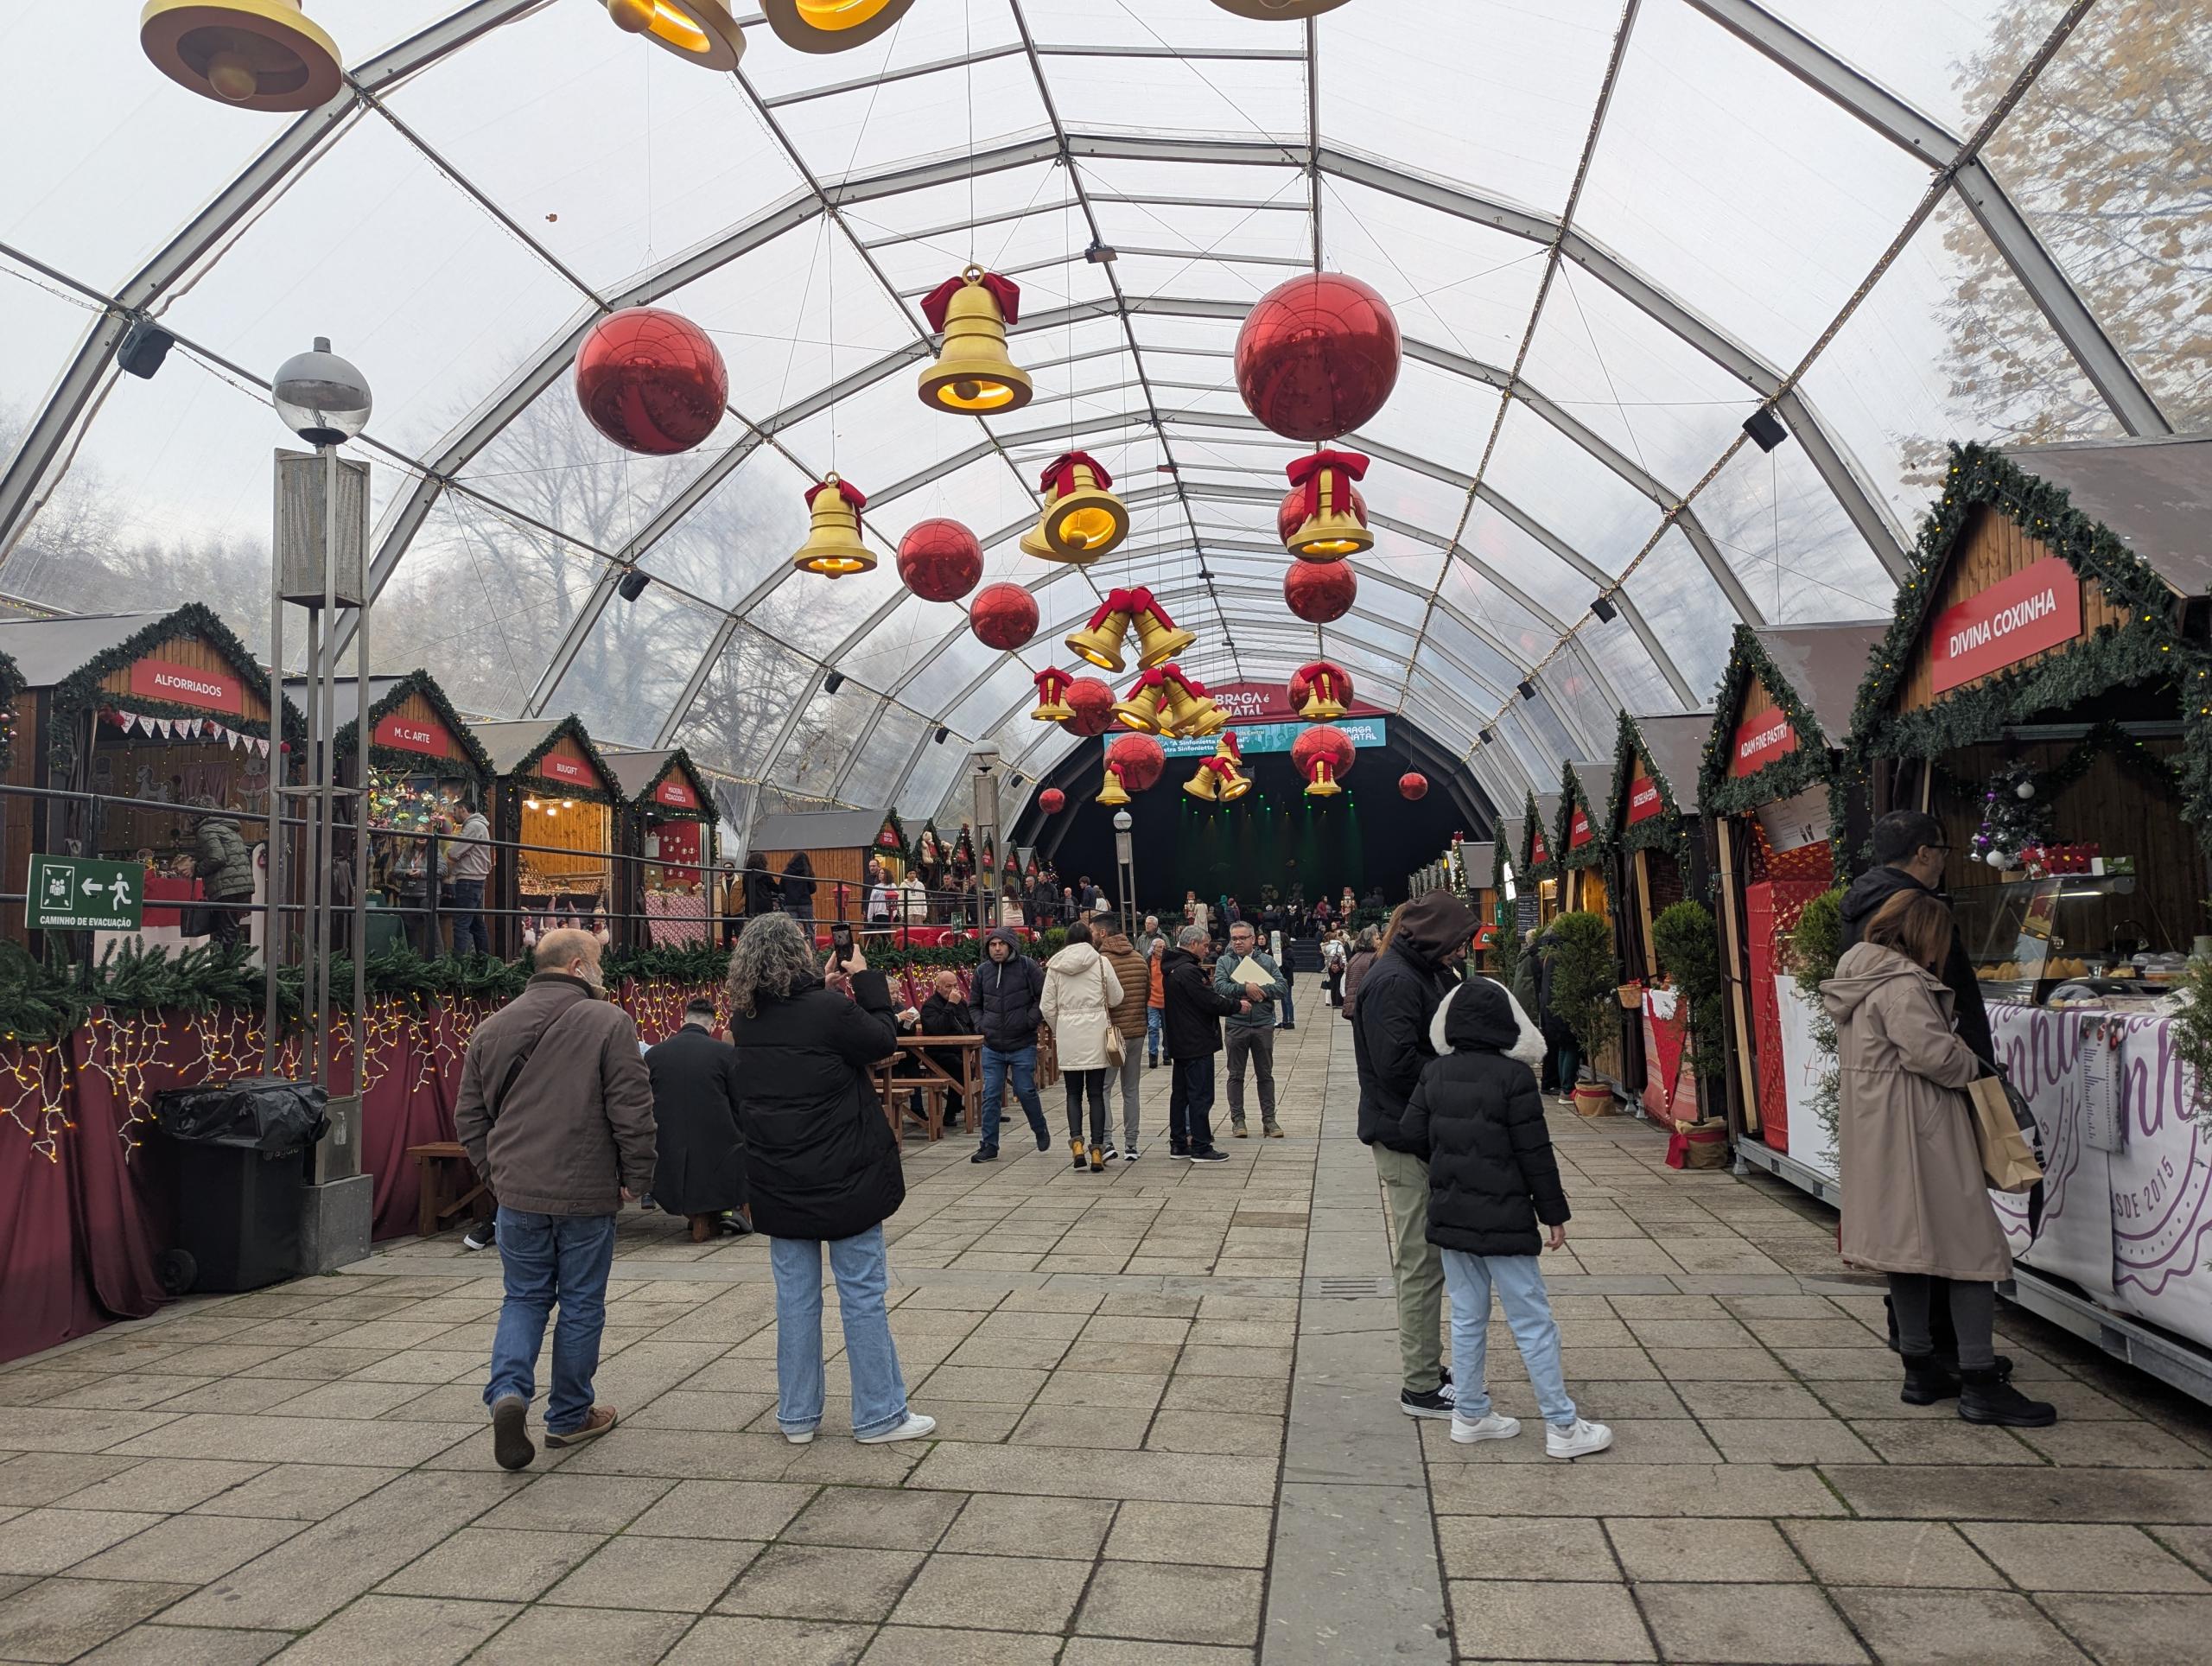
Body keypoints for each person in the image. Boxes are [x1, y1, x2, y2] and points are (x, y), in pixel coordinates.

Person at [1823, 890, 2055, 1427]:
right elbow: (1933, 1058)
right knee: (1971, 1248)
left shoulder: (1859, 973)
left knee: (1906, 1250)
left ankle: (1920, 1368)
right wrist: (1971, 1062)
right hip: (1921, 1130)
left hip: (1882, 1130)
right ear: (1924, 934)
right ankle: (1978, 1379)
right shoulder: (1902, 984)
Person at [724, 913, 934, 1445]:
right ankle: (879, 1415)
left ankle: (797, 1417)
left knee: (795, 1301)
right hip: (844, 1175)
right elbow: (883, 1038)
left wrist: (823, 984)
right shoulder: (828, 1010)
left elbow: (800, 1017)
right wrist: (864, 982)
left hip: (778, 1176)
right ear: (796, 956)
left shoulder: (747, 1017)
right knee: (861, 1294)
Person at [455, 928, 656, 1471]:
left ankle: (507, 1393)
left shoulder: (491, 1028)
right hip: (586, 1192)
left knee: (523, 1297)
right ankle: (569, 1415)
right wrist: (637, 1178)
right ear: (574, 967)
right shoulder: (610, 1023)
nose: (603, 972)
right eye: (597, 961)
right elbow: (632, 1111)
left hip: (518, 1193)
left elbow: (469, 1117)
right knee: (582, 1302)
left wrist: (495, 1176)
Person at [1402, 976, 1612, 1459]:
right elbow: (1535, 1153)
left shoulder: (1434, 1073)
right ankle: (1561, 1424)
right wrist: (1553, 1213)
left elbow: (1410, 1131)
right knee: (1532, 1321)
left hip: (1452, 1214)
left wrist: (1450, 1157)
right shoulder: (1515, 1079)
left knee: (1468, 1317)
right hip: (1507, 1219)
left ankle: (1470, 1413)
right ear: (1506, 1024)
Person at [1352, 891, 1479, 1421]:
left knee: (1428, 1262)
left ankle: (1427, 1365)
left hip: (1422, 1132)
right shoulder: (1395, 981)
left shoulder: (1419, 970)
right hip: (1404, 1136)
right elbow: (1397, 1065)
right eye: (1457, 943)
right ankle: (1420, 1386)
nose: (1459, 953)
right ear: (1434, 936)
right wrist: (1458, 1074)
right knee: (1421, 1265)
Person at [1839, 810, 1994, 1065]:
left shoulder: (1860, 904)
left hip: (1874, 1056)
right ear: (1924, 854)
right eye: (1942, 852)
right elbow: (1955, 991)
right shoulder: (1919, 909)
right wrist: (1977, 1065)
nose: (1943, 862)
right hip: (1925, 1066)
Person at [645, 996, 751, 1243]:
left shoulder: (655, 1055)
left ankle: (707, 1217)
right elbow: (740, 1102)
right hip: (718, 1152)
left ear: (683, 1021)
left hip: (666, 1148)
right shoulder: (725, 1053)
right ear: (712, 1026)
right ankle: (727, 1211)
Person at [1040, 919, 1124, 1172]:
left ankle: (1077, 1144)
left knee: (1073, 1093)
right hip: (1096, 1034)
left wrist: (1060, 1027)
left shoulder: (1055, 966)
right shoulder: (1101, 962)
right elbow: (1117, 997)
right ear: (1090, 939)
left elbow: (1046, 1006)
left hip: (1069, 1035)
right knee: (1096, 1093)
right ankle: (1097, 1150)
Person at [1162, 923, 1249, 1162]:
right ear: (1192, 944)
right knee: (1200, 1095)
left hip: (1180, 1041)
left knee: (1180, 1095)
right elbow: (1208, 1001)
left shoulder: (1172, 968)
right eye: (1204, 945)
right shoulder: (1188, 971)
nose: (1206, 950)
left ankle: (1179, 1143)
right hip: (1196, 1041)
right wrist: (1236, 1006)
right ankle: (1201, 1145)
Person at [970, 925, 1048, 1162]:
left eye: (1000, 944)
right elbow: (973, 1004)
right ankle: (989, 1145)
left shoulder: (1027, 966)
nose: (996, 949)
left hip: (1021, 1042)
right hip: (993, 1044)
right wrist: (981, 1025)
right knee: (991, 1094)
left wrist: (1030, 1020)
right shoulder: (983, 971)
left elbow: (1044, 995)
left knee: (1025, 1091)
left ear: (1010, 946)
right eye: (992, 945)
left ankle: (1039, 1128)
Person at [1217, 919, 1288, 1139]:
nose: (1238, 942)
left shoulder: (1266, 960)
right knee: (1235, 1075)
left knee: (1265, 1074)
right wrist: (1243, 988)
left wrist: (1261, 991)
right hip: (1236, 1024)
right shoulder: (1225, 961)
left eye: (1242, 938)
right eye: (1234, 938)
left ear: (1252, 939)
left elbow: (1282, 986)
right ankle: (1238, 1120)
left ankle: (1269, 1119)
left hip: (1262, 1024)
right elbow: (1219, 985)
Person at [1096, 908, 1150, 1159]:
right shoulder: (1139, 959)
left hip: (1110, 1035)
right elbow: (1146, 996)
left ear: (1103, 933)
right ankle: (1132, 1144)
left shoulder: (1100, 962)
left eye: (1094, 933)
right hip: (1136, 1031)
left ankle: (1107, 1142)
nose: (1092, 937)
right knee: (1131, 1090)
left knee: (1104, 1088)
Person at [188, 798, 256, 951]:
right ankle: (229, 965)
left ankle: (226, 968)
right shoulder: (226, 827)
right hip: (240, 883)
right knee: (230, 928)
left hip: (226, 885)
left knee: (225, 931)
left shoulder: (206, 830)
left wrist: (196, 869)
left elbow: (217, 858)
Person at [918, 970, 974, 1128]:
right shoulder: (930, 1006)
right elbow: (938, 1029)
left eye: (955, 985)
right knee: (960, 1067)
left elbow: (970, 1024)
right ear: (938, 987)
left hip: (963, 1049)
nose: (953, 990)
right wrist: (950, 1005)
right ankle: (950, 1113)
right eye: (948, 986)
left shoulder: (961, 1002)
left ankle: (983, 1109)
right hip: (938, 1052)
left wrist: (973, 1048)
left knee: (980, 1065)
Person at [1342, 923, 1382, 1018]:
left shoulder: (1355, 958)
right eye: (1377, 939)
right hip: (1366, 1009)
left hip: (1354, 1007)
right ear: (1369, 941)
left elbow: (1347, 985)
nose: (1380, 941)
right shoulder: (1374, 958)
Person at [1146, 932, 1169, 1069]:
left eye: (1164, 947)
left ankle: (1167, 1054)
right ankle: (1153, 1055)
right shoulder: (1148, 961)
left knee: (1167, 1029)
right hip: (1152, 1000)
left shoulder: (1169, 961)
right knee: (1153, 1028)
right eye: (1160, 947)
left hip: (1167, 1000)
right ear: (1153, 948)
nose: (1162, 950)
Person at [1269, 925, 1297, 1031]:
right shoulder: (1275, 951)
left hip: (1286, 978)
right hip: (1278, 977)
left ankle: (1290, 1020)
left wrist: (1282, 960)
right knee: (1282, 1000)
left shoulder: (1289, 951)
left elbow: (1291, 964)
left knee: (1287, 1000)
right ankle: (1285, 1020)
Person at [780, 852, 817, 925]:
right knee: (809, 929)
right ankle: (809, 936)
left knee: (792, 929)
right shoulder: (807, 872)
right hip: (805, 903)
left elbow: (781, 888)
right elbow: (813, 889)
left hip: (790, 903)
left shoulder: (786, 872)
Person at [716, 861, 743, 949]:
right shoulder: (721, 882)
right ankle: (726, 954)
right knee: (726, 936)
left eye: (729, 868)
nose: (727, 870)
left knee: (740, 935)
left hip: (737, 913)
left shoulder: (740, 880)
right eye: (725, 868)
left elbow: (745, 895)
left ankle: (740, 954)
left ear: (733, 869)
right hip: (726, 913)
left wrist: (739, 905)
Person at [1322, 930, 1348, 1009]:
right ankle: (1339, 1002)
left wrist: (1329, 966)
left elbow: (1326, 958)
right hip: (1339, 967)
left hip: (1331, 967)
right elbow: (1343, 957)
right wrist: (1344, 966)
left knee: (1333, 984)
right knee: (1339, 984)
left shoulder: (1327, 947)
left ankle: (1334, 1002)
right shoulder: (1339, 946)